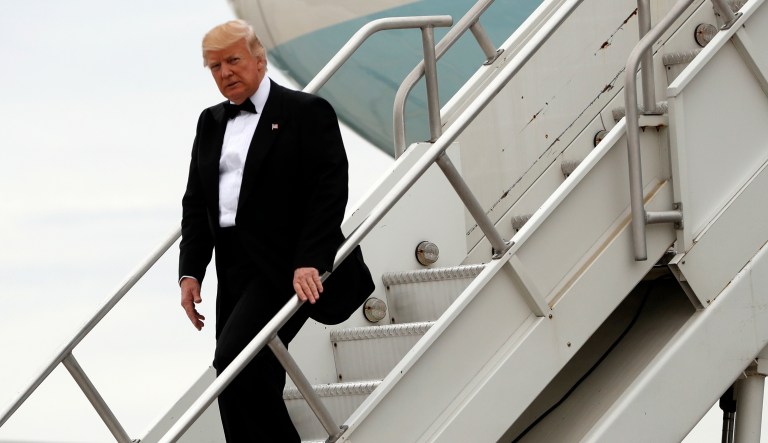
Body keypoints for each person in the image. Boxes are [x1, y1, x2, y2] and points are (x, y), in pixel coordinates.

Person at [178, 19, 374, 442]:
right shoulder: (210, 122)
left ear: (259, 58)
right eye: (214, 67)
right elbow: (196, 202)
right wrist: (190, 271)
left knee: (235, 359)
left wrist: (310, 260)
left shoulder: (305, 111)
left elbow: (329, 188)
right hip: (232, 266)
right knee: (240, 374)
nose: (225, 72)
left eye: (233, 60)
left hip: (285, 261)